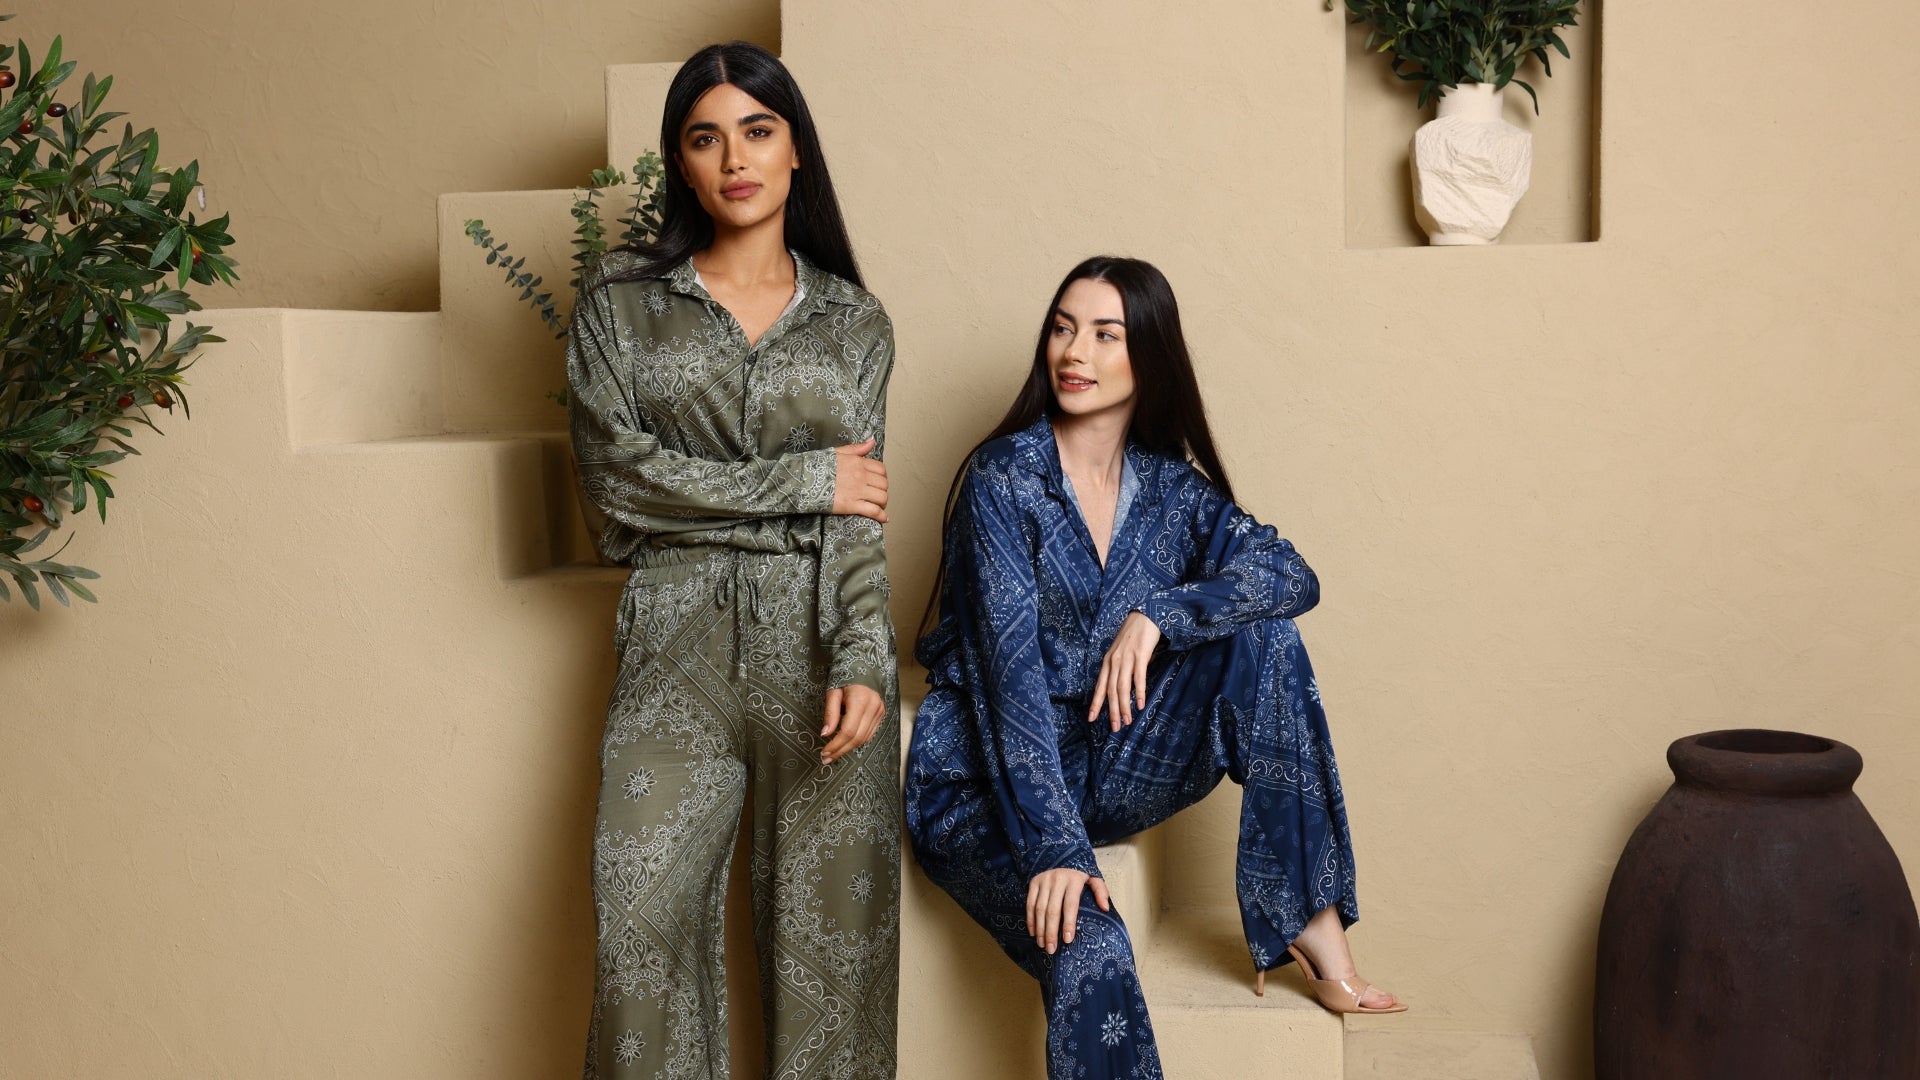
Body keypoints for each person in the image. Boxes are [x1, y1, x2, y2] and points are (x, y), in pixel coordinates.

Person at [905, 256, 1401, 1079]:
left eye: (1107, 334)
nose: (1076, 351)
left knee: (1265, 637)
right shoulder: (1006, 480)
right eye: (1064, 327)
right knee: (1090, 943)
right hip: (989, 790)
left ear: (1150, 357)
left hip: (1113, 758)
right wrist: (1057, 848)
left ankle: (1312, 923)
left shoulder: (1173, 493)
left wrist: (1159, 615)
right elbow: (1009, 684)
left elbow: (1290, 576)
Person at [566, 41, 899, 1080]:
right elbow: (617, 491)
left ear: (796, 148)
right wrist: (801, 482)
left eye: (757, 131)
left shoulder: (855, 322)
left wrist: (863, 660)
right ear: (681, 162)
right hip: (674, 653)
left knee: (834, 962)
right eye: (704, 138)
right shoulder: (620, 308)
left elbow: (861, 515)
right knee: (638, 941)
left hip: (822, 644)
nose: (734, 158)